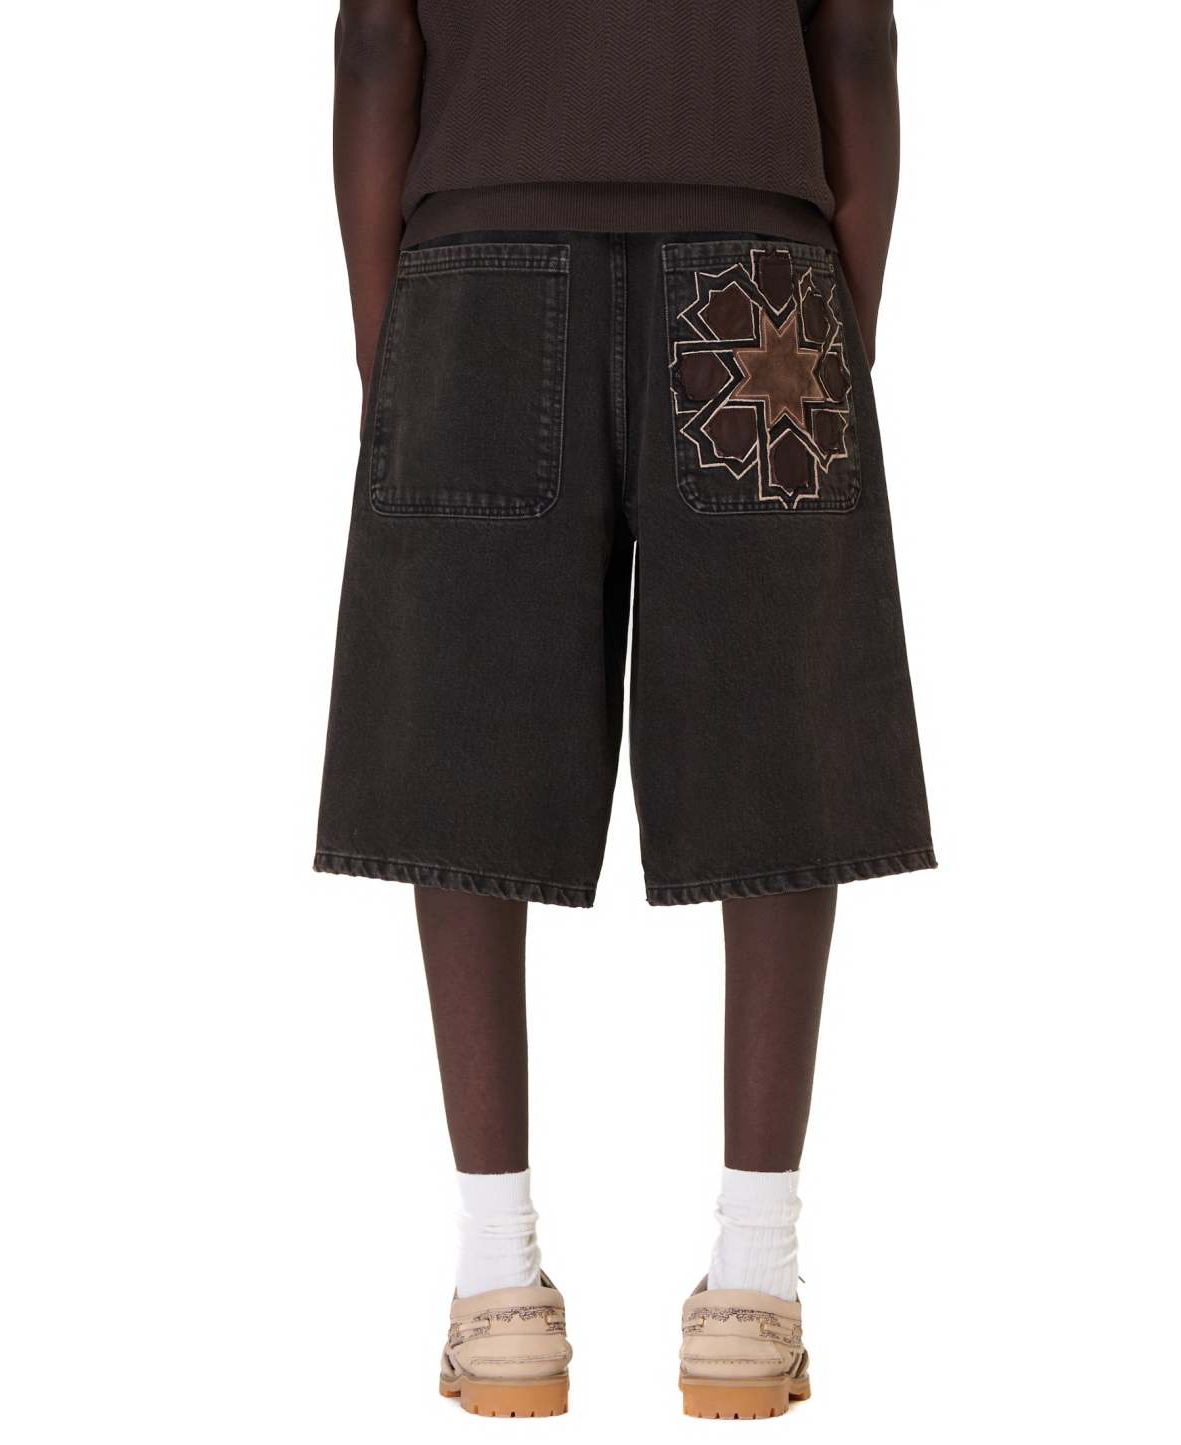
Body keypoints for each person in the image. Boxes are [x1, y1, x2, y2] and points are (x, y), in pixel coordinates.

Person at [315, 0, 933, 1419]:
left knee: (465, 733)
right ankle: (755, 1282)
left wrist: (382, 334)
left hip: (472, 265)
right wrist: (846, 312)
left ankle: (496, 1285)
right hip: (760, 271)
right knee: (776, 732)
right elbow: (854, 42)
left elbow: (373, 41)